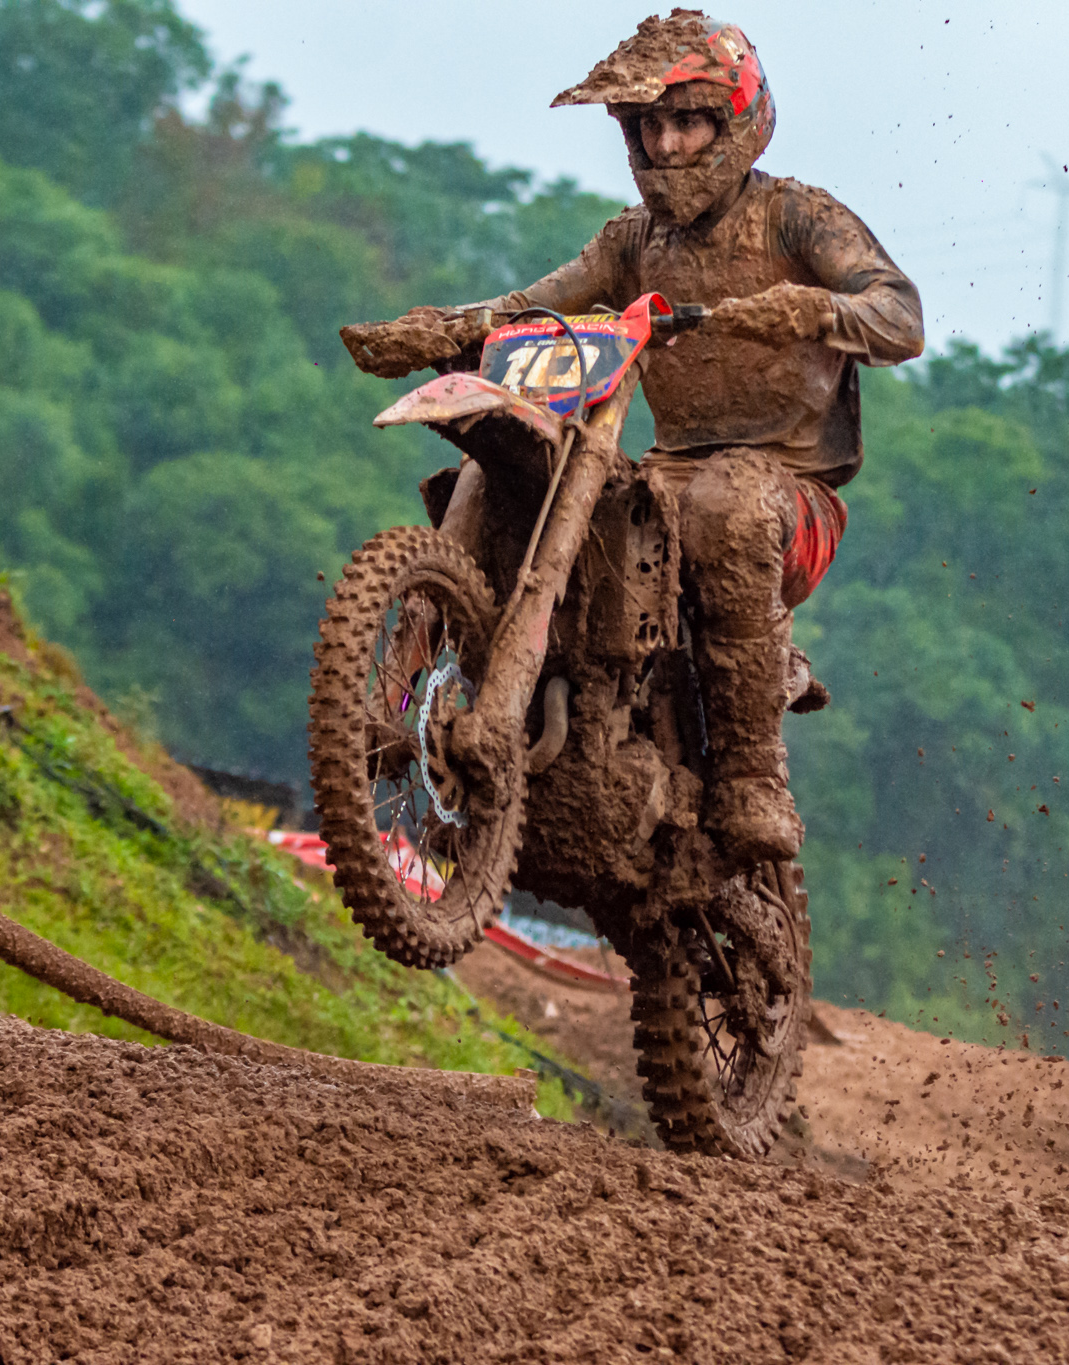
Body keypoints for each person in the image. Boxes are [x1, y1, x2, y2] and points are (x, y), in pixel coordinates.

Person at [384, 11, 923, 867]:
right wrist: (446, 329)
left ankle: (752, 773)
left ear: (733, 122)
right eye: (650, 126)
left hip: (790, 495)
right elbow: (535, 305)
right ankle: (417, 689)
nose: (667, 145)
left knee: (730, 506)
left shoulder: (796, 219)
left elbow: (901, 313)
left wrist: (816, 308)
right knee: (507, 473)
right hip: (668, 476)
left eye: (687, 121)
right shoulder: (633, 242)